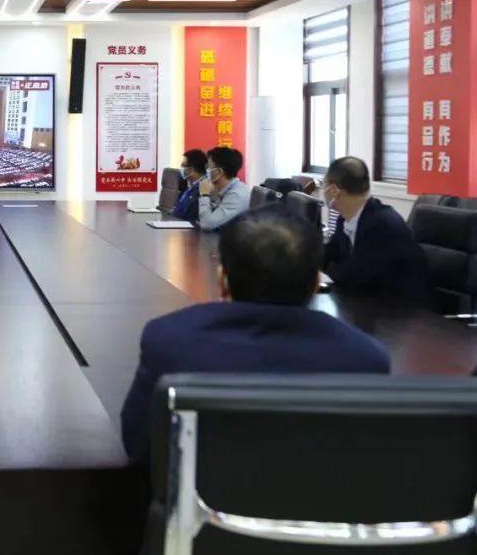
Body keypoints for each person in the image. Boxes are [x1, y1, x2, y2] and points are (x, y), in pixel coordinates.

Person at [120, 207, 390, 461]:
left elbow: (139, 446)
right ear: (316, 285)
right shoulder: (367, 358)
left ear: (222, 281)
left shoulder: (169, 340)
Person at [322, 156, 428, 304]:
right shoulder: (345, 218)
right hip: (370, 303)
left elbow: (354, 276)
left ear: (334, 190)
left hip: (404, 310)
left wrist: (327, 268)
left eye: (324, 185)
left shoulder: (382, 225)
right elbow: (331, 253)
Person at [196, 146, 251, 231]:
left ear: (218, 172)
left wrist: (204, 195)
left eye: (208, 167)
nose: (206, 170)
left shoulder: (237, 194)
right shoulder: (222, 189)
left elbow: (207, 224)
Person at [171, 149, 207, 222]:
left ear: (191, 169)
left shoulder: (203, 188)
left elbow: (192, 215)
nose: (181, 169)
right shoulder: (189, 185)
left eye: (183, 166)